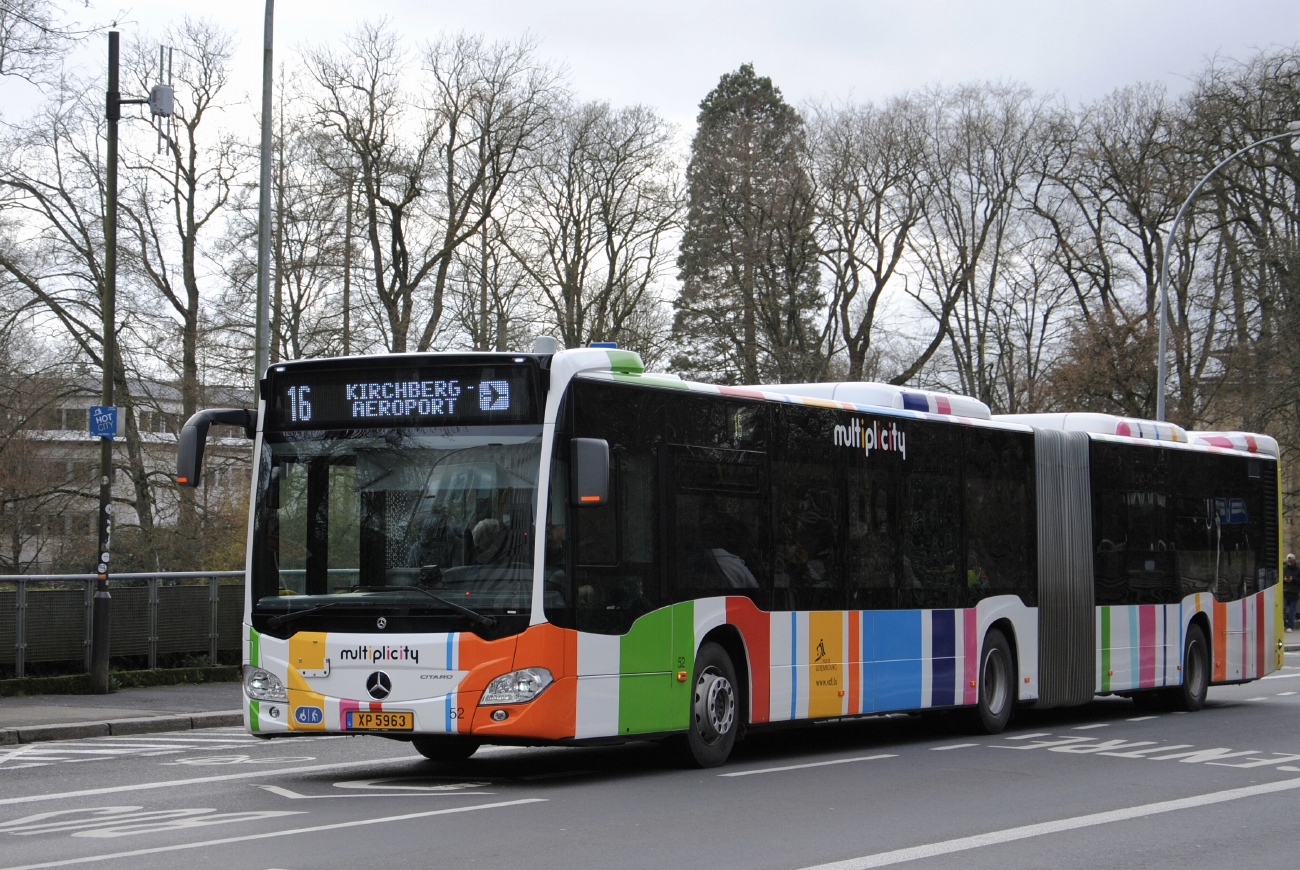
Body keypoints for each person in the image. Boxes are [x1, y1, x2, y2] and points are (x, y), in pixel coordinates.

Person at [1284, 553, 1299, 631]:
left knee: (1292, 610)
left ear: (1294, 561)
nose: (1289, 563)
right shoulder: (1284, 568)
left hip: (1294, 592)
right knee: (1283, 608)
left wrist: (1293, 579)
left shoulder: (1298, 569)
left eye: (1291, 561)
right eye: (1288, 561)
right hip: (1285, 591)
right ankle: (1285, 624)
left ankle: (1290, 626)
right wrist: (1285, 580)